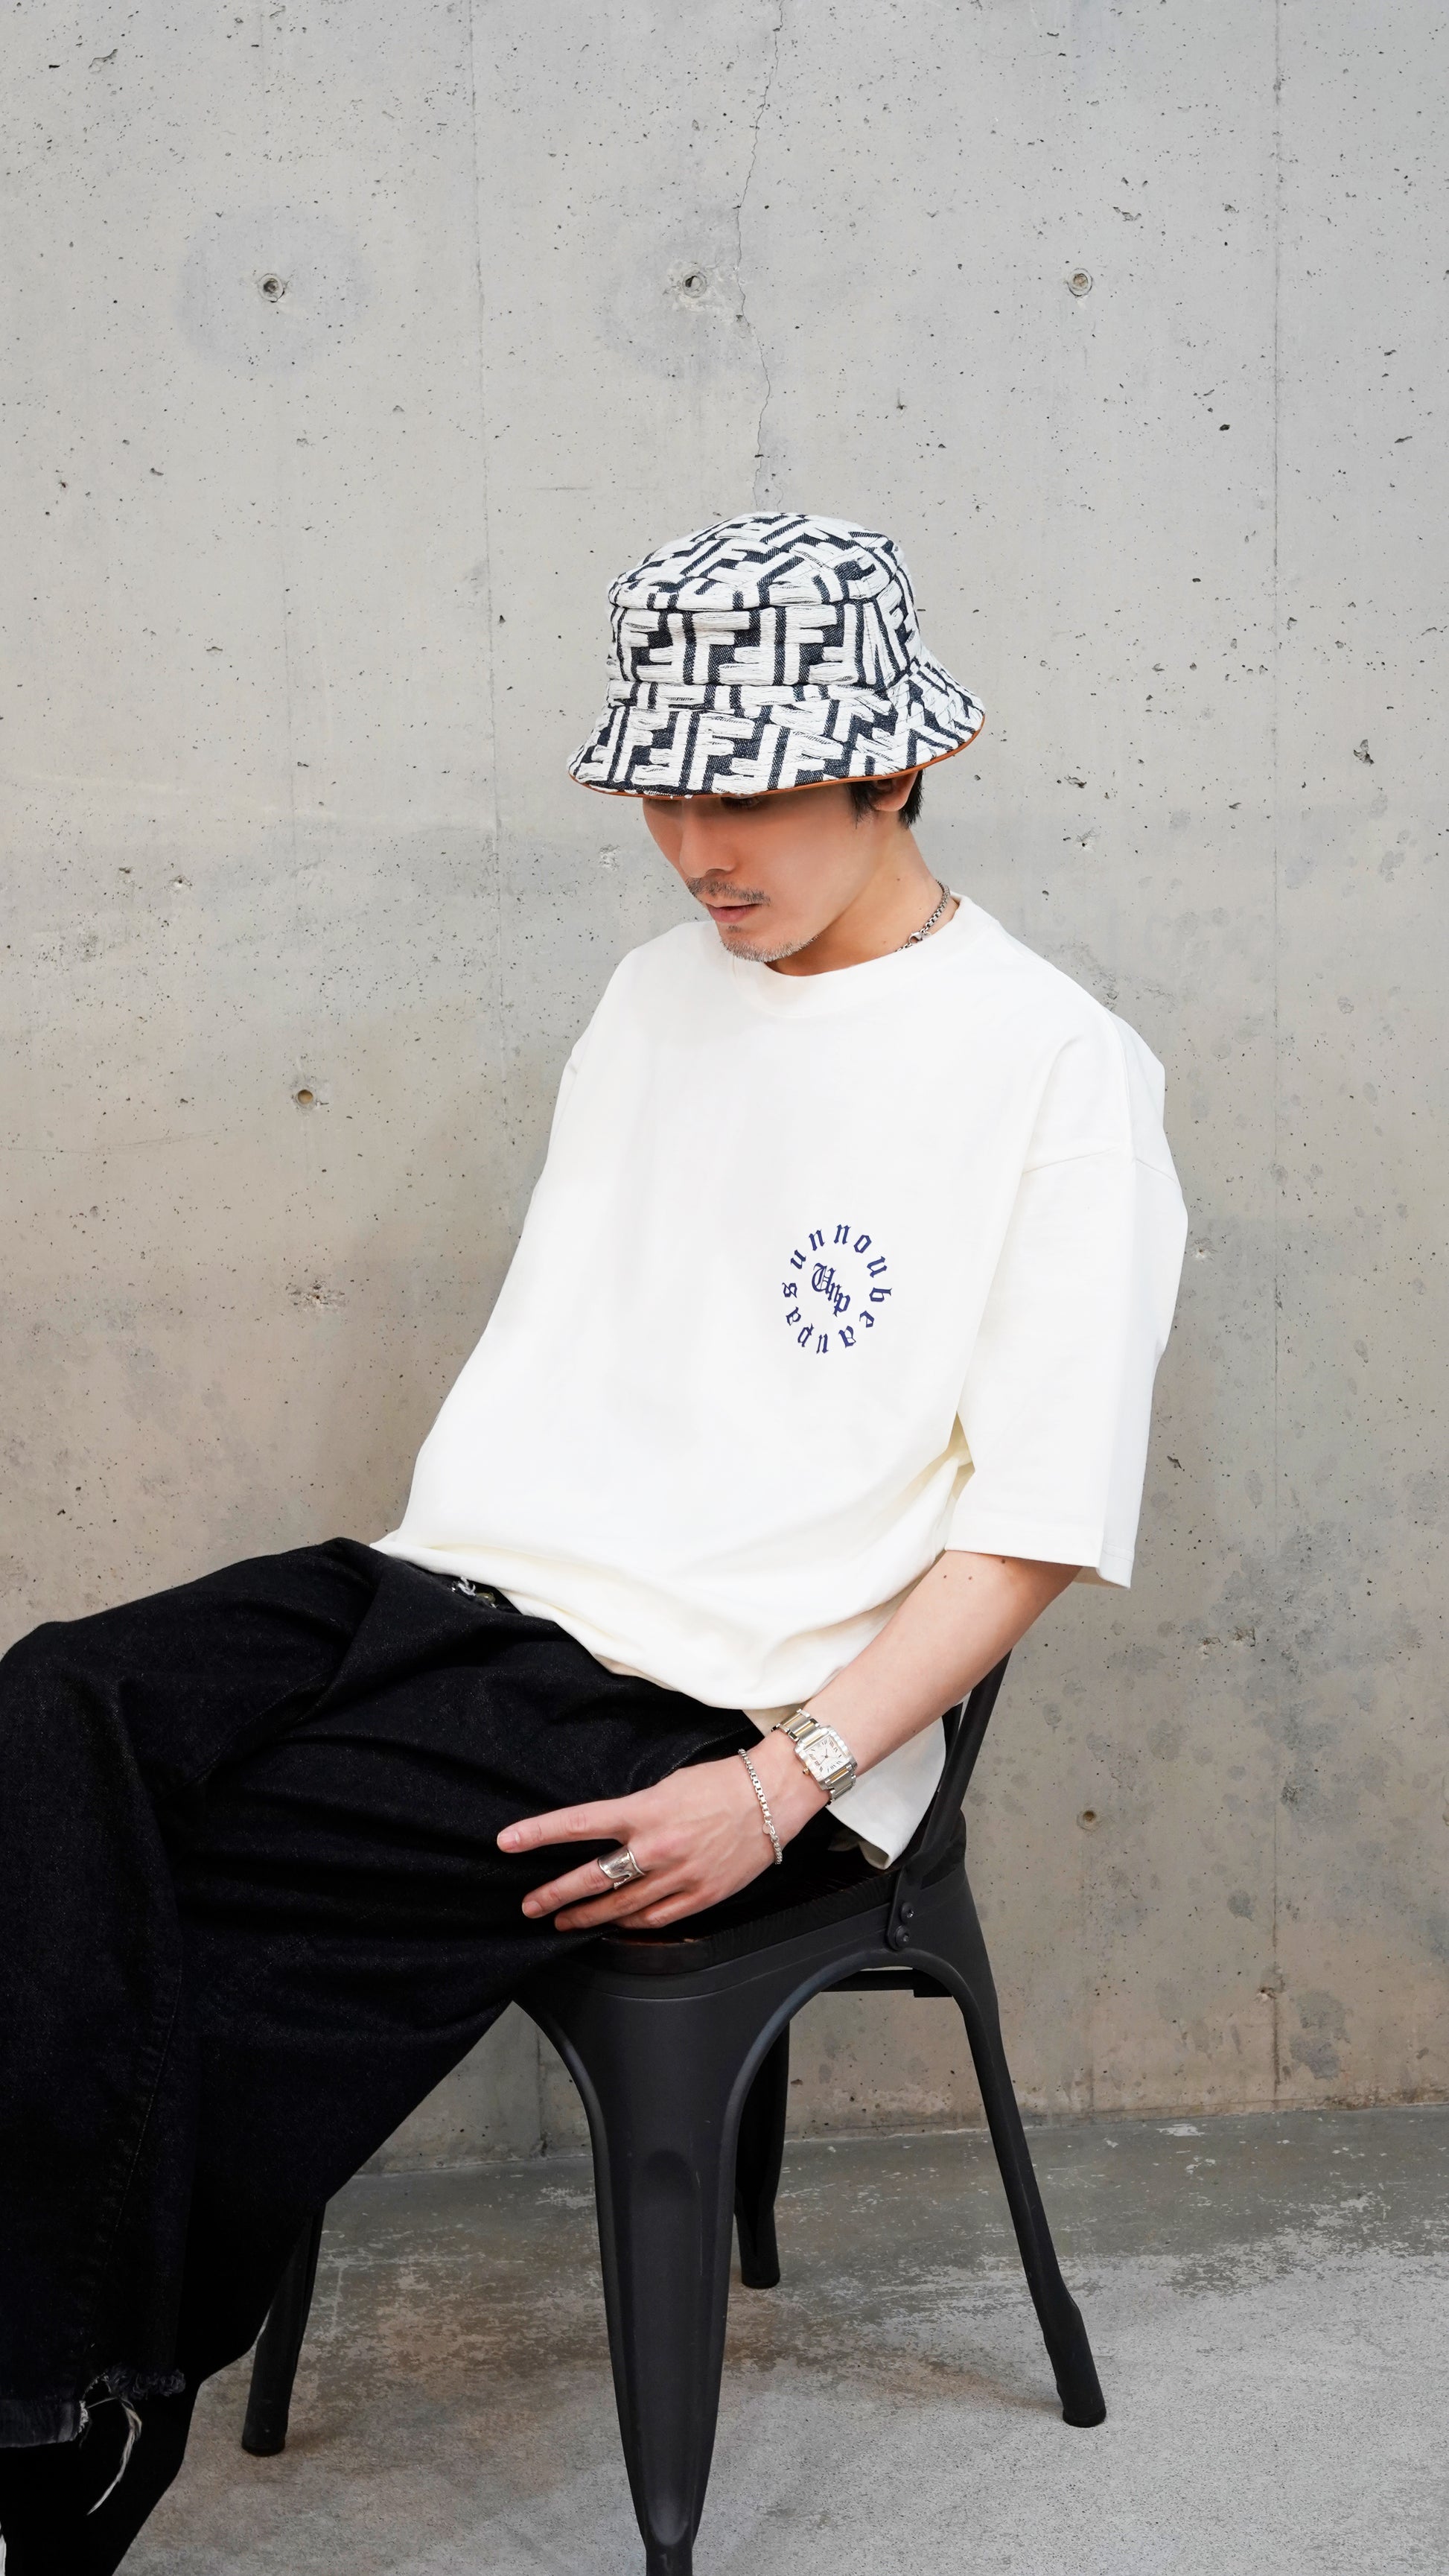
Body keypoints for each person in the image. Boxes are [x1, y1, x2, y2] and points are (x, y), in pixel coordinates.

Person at [0, 512, 1187, 2569]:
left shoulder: (1057, 1071)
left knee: (218, 1905)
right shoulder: (656, 994)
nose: (695, 848)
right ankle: (65, 2375)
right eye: (664, 792)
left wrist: (783, 1779)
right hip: (449, 1589)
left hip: (707, 1684)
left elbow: (1033, 1530)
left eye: (747, 795)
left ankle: (57, 2440)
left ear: (896, 769)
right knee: (56, 1713)